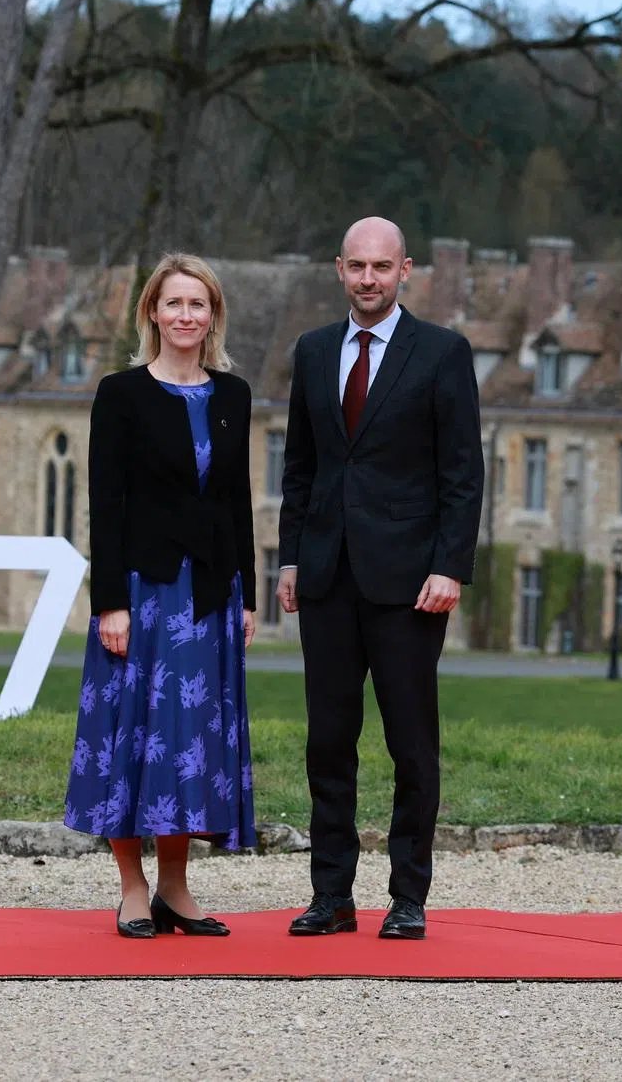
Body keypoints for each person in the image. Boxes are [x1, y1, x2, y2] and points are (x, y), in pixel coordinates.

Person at [276, 217, 484, 940]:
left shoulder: (443, 354)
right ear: (339, 269)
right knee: (328, 741)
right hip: (328, 575)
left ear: (406, 271)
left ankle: (408, 896)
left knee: (410, 743)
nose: (369, 279)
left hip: (409, 584)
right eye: (357, 266)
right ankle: (331, 896)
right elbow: (299, 468)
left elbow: (463, 474)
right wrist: (291, 558)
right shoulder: (312, 352)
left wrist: (449, 566)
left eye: (382, 267)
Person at [65, 252, 258, 939]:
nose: (185, 316)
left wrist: (250, 597)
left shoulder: (232, 396)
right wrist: (107, 601)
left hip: (210, 593)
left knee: (188, 741)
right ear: (152, 311)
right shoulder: (121, 394)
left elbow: (238, 502)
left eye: (198, 305)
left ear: (213, 317)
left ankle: (177, 886)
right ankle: (132, 886)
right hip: (142, 594)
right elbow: (104, 503)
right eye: (173, 304)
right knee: (133, 734)